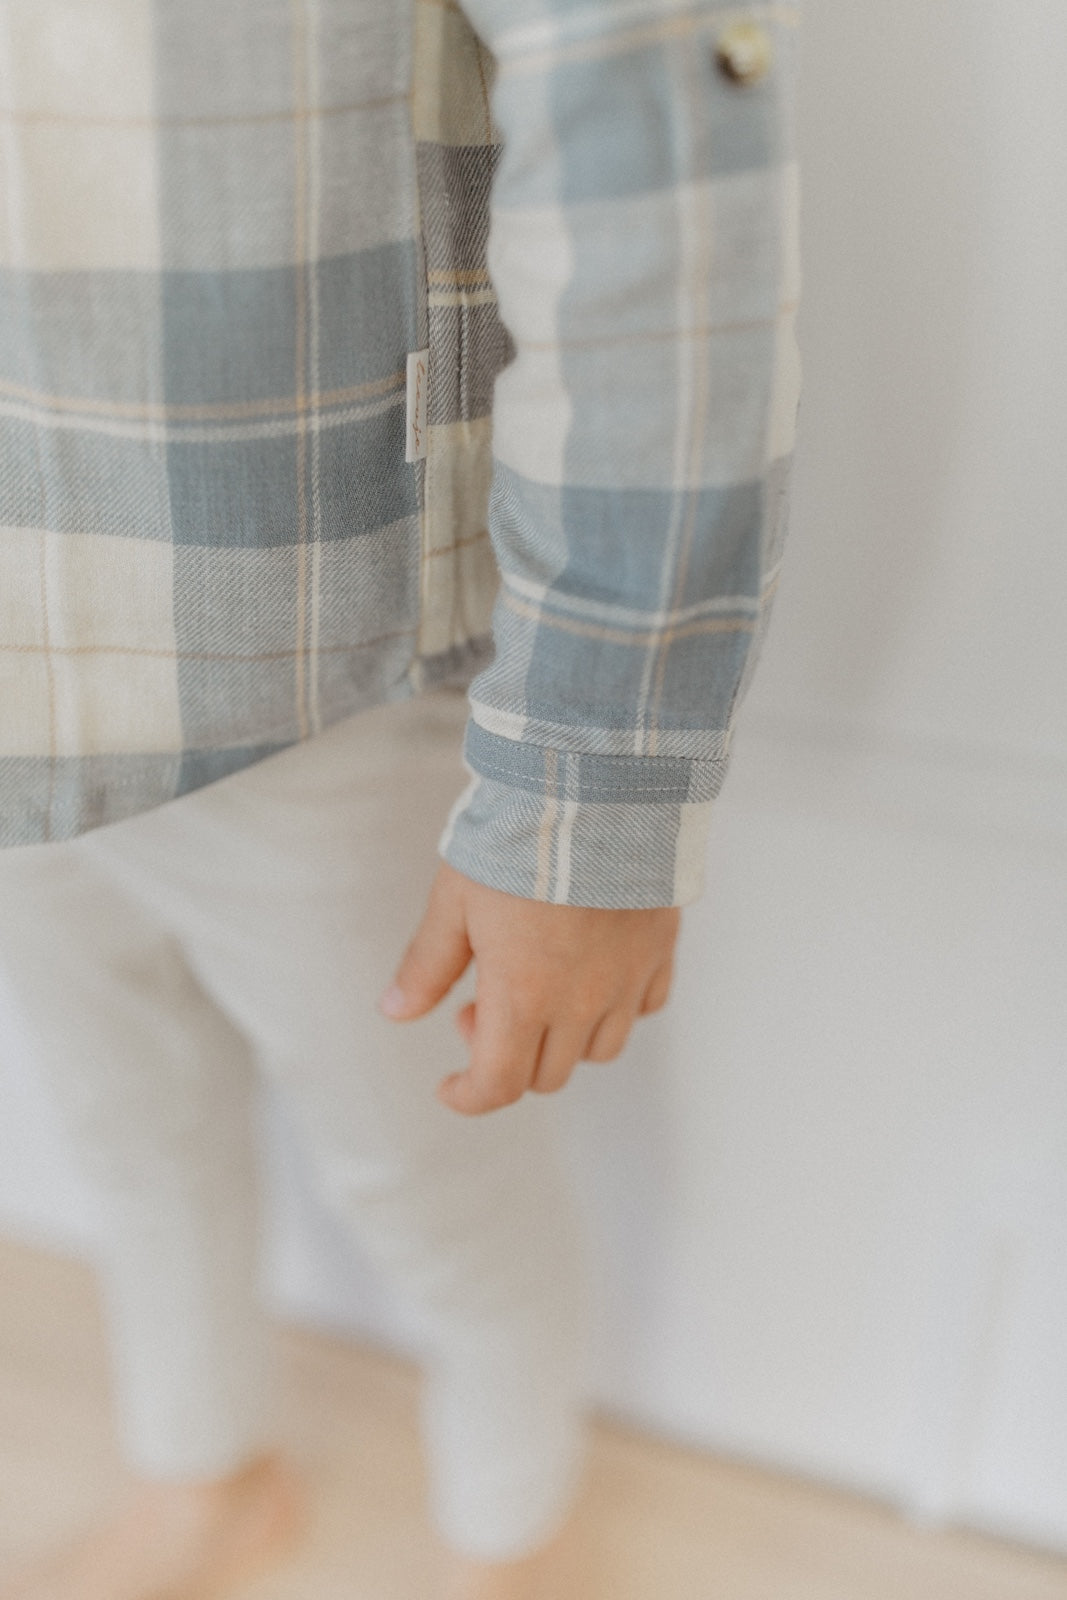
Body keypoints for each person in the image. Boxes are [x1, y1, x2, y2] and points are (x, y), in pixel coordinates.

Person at [0, 1, 801, 1596]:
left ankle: (516, 1535)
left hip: (309, 665)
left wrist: (590, 777)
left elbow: (661, 190)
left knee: (428, 1167)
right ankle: (206, 1465)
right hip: (25, 642)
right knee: (123, 1117)